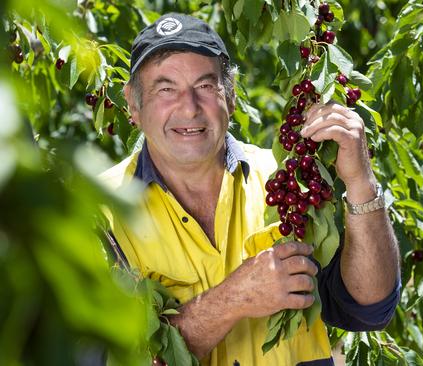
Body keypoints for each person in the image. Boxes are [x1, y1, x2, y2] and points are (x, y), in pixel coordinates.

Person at [100, 13, 400, 365]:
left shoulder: (288, 180)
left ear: (231, 96)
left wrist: (361, 183)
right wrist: (234, 299)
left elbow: (369, 308)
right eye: (166, 89)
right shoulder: (99, 212)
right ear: (133, 105)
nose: (189, 107)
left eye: (205, 86)